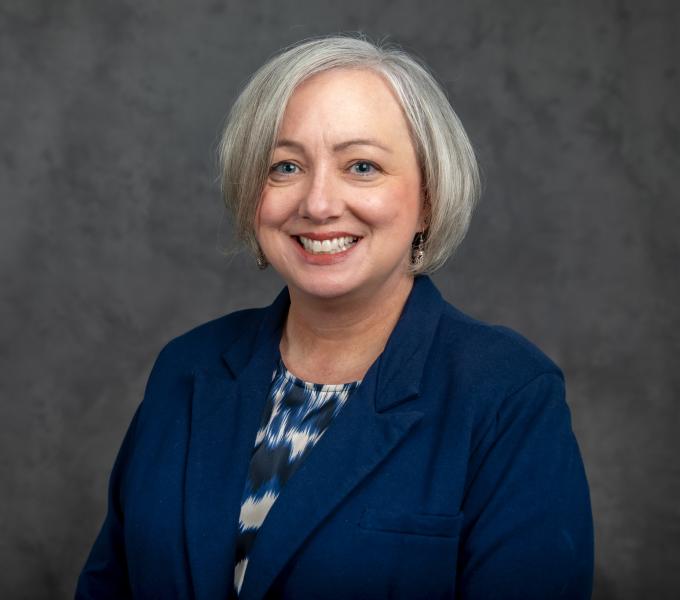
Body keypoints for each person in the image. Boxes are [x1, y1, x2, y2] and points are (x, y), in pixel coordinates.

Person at [75, 35, 593, 599]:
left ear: (428, 197)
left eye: (362, 166)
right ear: (254, 195)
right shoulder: (188, 367)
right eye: (286, 166)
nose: (318, 203)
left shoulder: (506, 393)